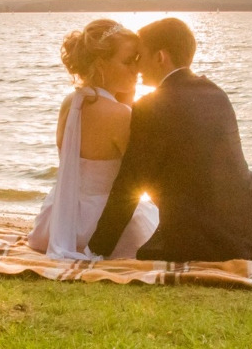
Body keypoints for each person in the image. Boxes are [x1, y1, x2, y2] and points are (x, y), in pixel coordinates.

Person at [87, 17, 252, 265]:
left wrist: (97, 249)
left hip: (202, 236)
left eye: (140, 56)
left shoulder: (150, 108)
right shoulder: (215, 92)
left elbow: (130, 183)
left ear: (160, 57)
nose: (137, 66)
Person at [27, 19, 160, 260]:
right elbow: (140, 174)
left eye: (138, 61)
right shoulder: (120, 115)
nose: (136, 70)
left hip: (58, 220)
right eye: (128, 61)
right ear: (101, 64)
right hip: (101, 225)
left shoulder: (70, 102)